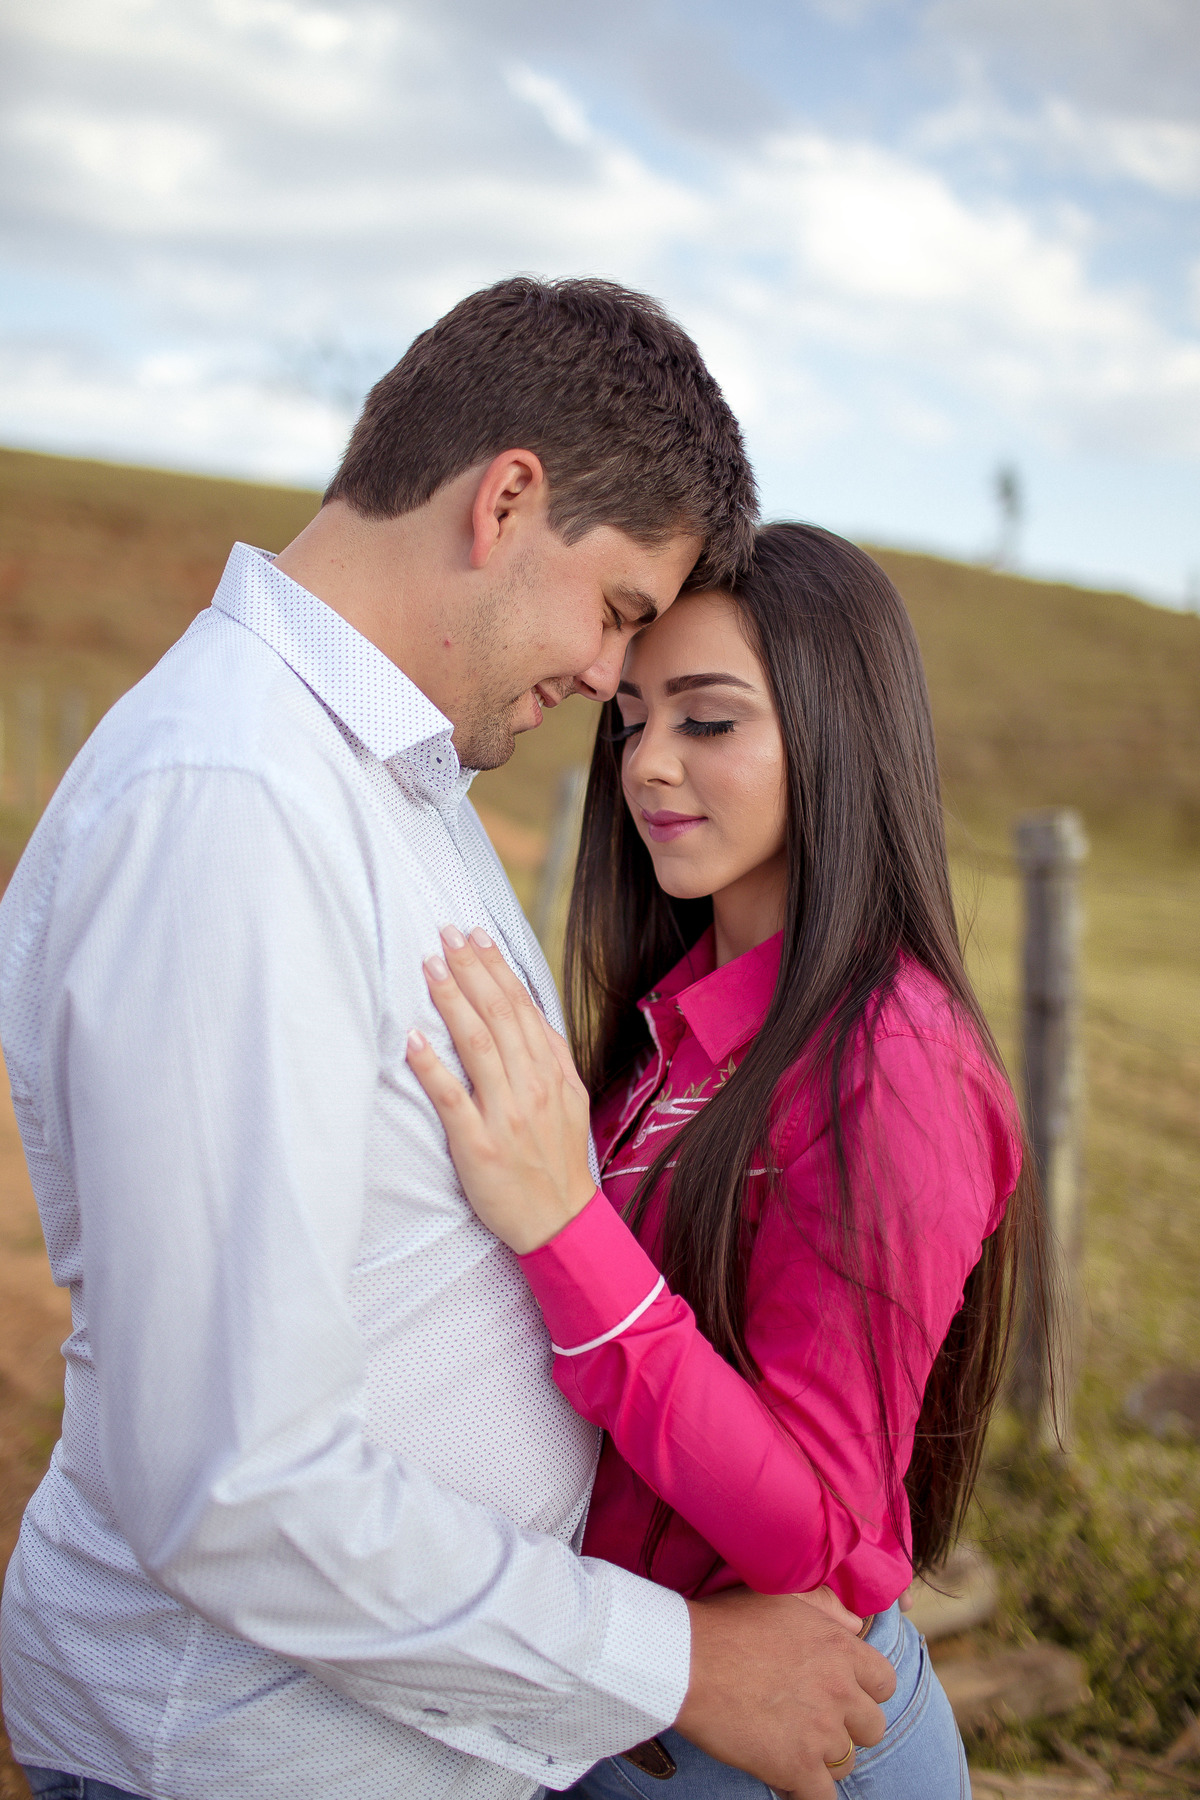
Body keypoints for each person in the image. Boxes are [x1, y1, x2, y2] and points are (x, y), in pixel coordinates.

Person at [0, 282, 895, 1800]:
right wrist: (676, 1661)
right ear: (508, 500)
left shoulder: (386, 777)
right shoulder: (234, 807)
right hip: (249, 1753)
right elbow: (239, 1485)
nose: (616, 681)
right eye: (617, 610)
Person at [407, 523, 1050, 1797]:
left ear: (835, 734)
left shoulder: (894, 1064)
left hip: (778, 1748)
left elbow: (809, 1520)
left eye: (708, 722)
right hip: (626, 1707)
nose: (647, 764)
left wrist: (561, 1224)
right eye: (632, 719)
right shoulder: (675, 1027)